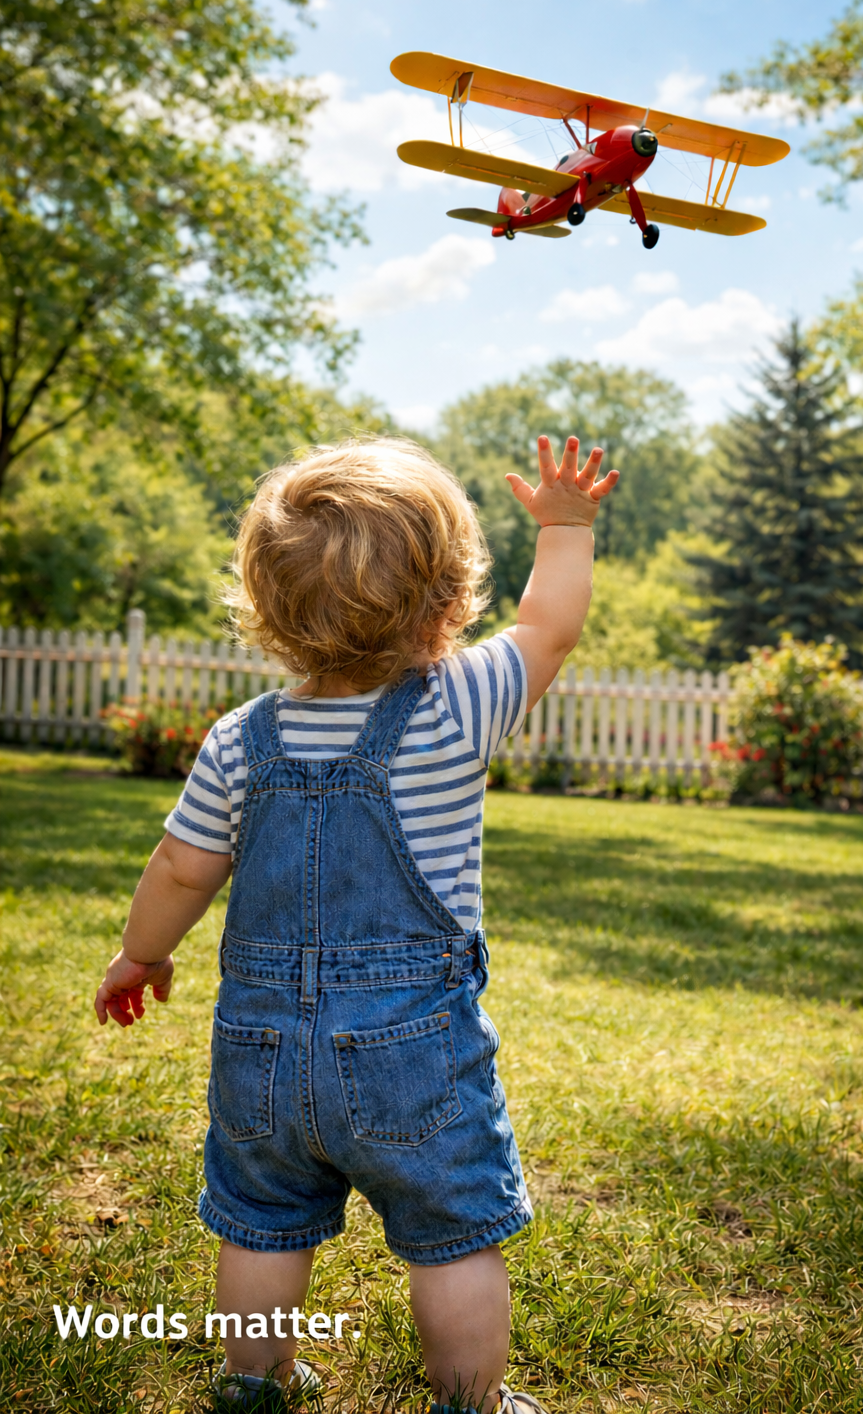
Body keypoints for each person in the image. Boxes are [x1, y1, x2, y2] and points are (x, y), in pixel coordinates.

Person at [94, 434, 619, 1414]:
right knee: (454, 1231)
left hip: (258, 1049)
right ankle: (470, 1402)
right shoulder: (456, 707)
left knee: (260, 1222)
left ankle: (255, 1382)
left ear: (268, 607)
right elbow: (548, 628)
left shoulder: (240, 738)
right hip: (410, 1046)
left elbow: (181, 865)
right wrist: (563, 524)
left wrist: (140, 955)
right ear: (447, 602)